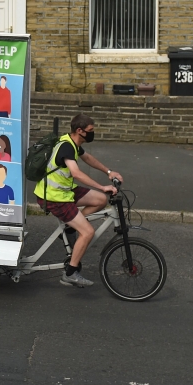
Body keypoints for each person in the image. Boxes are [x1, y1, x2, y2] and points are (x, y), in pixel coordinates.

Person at [34, 114, 123, 288]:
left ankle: (70, 227)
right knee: (88, 232)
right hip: (54, 197)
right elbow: (76, 173)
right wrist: (102, 186)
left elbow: (87, 158)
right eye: (90, 130)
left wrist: (109, 172)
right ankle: (70, 273)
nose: (92, 133)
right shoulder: (66, 147)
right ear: (80, 131)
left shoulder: (72, 142)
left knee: (100, 200)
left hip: (64, 191)